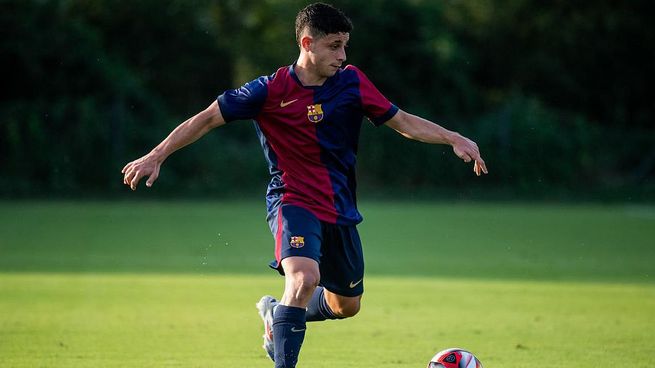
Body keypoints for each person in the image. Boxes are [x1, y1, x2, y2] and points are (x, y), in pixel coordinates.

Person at [121, 3, 488, 367]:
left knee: (346, 305)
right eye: (334, 46)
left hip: (340, 207)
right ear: (308, 43)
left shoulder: (352, 82)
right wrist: (157, 155)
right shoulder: (268, 90)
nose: (342, 55)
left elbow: (402, 121)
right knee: (303, 279)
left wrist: (451, 137)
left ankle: (275, 316)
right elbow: (206, 119)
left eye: (345, 45)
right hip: (292, 201)